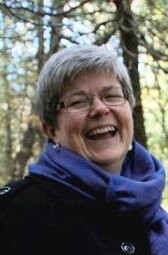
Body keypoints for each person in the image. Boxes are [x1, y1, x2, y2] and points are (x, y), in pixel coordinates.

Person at [0, 44, 168, 255]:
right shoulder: (13, 214)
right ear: (51, 130)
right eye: (78, 101)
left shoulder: (154, 214)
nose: (100, 108)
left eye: (112, 95)